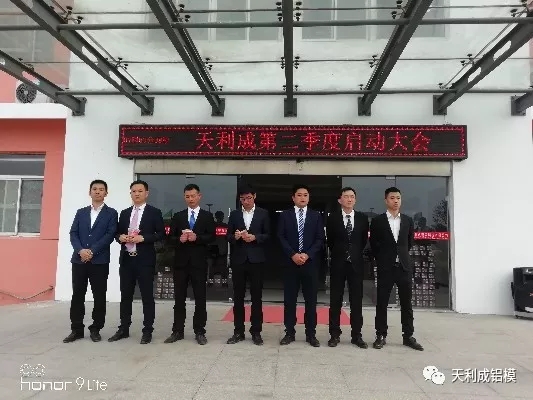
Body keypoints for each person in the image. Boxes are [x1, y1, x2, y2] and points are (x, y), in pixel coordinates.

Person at [108, 180, 165, 344]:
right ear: (131, 193)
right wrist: (120, 237)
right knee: (126, 296)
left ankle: (147, 330)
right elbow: (117, 233)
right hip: (127, 259)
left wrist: (143, 238)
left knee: (147, 296)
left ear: (146, 193)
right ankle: (123, 328)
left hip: (145, 260)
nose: (137, 194)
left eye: (140, 191)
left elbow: (161, 234)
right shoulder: (125, 213)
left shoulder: (154, 212)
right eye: (134, 191)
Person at [369, 187, 424, 351]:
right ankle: (380, 335)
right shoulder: (378, 221)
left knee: (407, 304)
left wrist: (401, 256)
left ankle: (408, 336)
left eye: (398, 198)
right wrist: (383, 259)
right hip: (386, 268)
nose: (395, 201)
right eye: (392, 198)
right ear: (386, 200)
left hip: (403, 267)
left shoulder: (407, 220)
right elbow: (374, 244)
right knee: (382, 303)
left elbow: (409, 242)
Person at [63, 180, 118, 343]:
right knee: (77, 295)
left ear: (106, 193)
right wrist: (80, 250)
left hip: (99, 261)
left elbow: (110, 235)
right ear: (90, 192)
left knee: (99, 296)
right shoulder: (81, 212)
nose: (97, 191)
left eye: (101, 189)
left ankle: (96, 328)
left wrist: (92, 251)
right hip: (79, 260)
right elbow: (73, 233)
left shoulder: (111, 213)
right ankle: (77, 329)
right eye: (94, 189)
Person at [165, 184, 215, 345]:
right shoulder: (178, 216)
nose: (190, 199)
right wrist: (179, 239)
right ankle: (177, 331)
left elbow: (212, 237)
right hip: (181, 263)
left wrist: (197, 238)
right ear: (184, 197)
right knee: (179, 299)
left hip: (199, 263)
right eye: (187, 196)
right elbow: (169, 239)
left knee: (200, 298)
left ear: (199, 196)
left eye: (193, 196)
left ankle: (200, 331)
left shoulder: (207, 216)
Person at [277, 184, 325, 347]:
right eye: (299, 195)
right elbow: (281, 237)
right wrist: (293, 254)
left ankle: (311, 334)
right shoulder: (285, 215)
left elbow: (320, 239)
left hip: (310, 264)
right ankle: (289, 333)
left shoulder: (316, 216)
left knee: (311, 301)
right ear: (293, 198)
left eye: (305, 195)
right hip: (290, 263)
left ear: (309, 198)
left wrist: (307, 254)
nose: (302, 197)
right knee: (289, 301)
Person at [225, 186, 271, 346]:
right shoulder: (235, 214)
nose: (246, 201)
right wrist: (235, 237)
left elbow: (269, 235)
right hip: (239, 260)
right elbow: (228, 236)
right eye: (243, 199)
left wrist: (255, 237)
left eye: (249, 198)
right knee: (238, 297)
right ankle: (238, 331)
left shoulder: (263, 213)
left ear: (254, 196)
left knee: (256, 297)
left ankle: (256, 332)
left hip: (256, 260)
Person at [326, 187, 369, 348]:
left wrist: (353, 253)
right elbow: (330, 241)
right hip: (338, 263)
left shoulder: (362, 218)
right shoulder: (333, 218)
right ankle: (334, 334)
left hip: (356, 264)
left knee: (356, 301)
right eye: (346, 196)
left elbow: (363, 241)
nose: (349, 199)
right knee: (335, 300)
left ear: (355, 200)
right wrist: (342, 253)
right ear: (340, 200)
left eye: (352, 197)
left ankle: (356, 335)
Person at [208, 210, 229, 286]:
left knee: (213, 267)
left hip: (215, 249)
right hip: (220, 249)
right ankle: (224, 283)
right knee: (222, 267)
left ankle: (211, 282)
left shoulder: (213, 226)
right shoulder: (225, 227)